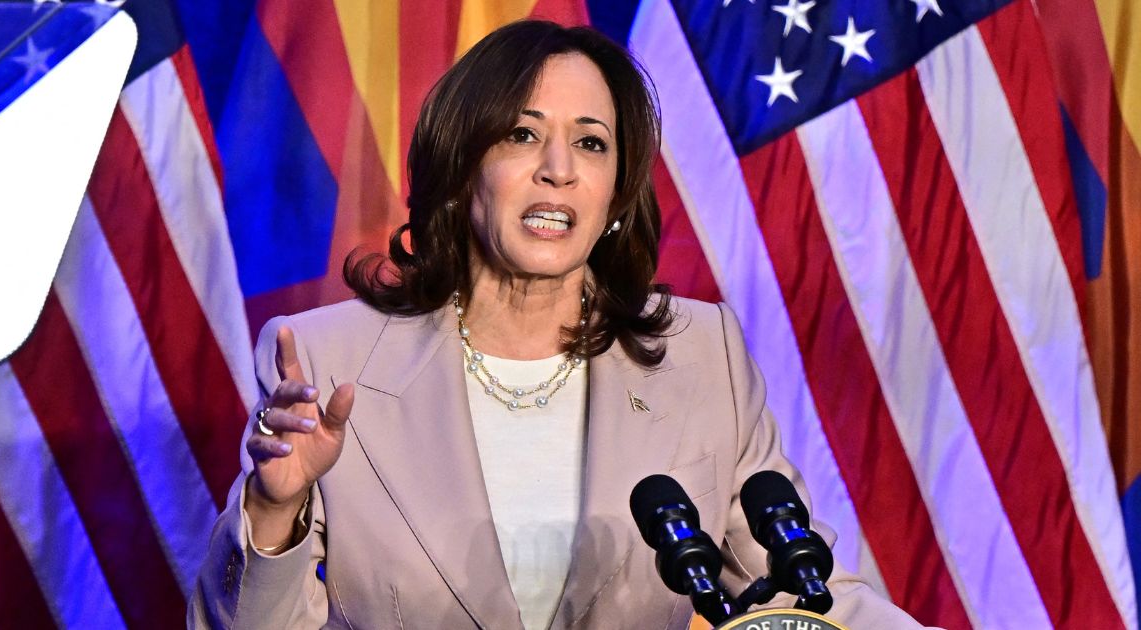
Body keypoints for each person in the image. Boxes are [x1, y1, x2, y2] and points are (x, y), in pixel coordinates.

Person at [190, 20, 931, 630]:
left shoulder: (702, 357)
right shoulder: (326, 358)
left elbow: (806, 593)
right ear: (460, 170)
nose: (558, 168)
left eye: (591, 142)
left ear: (614, 196)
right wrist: (273, 511)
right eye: (521, 134)